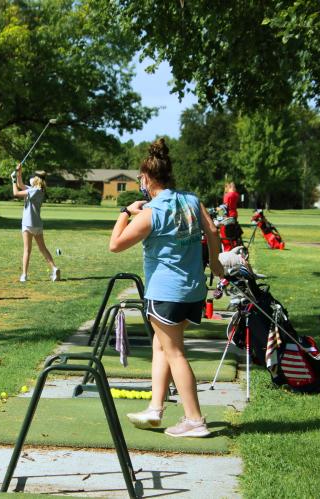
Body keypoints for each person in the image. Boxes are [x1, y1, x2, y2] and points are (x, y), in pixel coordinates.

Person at [109, 138, 223, 438]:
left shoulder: (150, 212)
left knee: (174, 352)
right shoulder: (190, 200)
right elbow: (212, 229)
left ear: (146, 179)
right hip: (193, 291)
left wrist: (124, 211)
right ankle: (155, 409)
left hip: (166, 293)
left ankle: (195, 420)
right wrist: (217, 265)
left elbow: (115, 245)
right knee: (162, 345)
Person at [12, 163, 60, 282]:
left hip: (28, 224)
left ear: (36, 179)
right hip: (37, 224)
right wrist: (19, 173)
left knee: (27, 250)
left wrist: (13, 180)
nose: (31, 178)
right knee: (43, 248)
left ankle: (24, 275)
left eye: (33, 177)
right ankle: (54, 269)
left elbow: (16, 193)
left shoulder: (34, 191)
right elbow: (21, 185)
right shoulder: (38, 190)